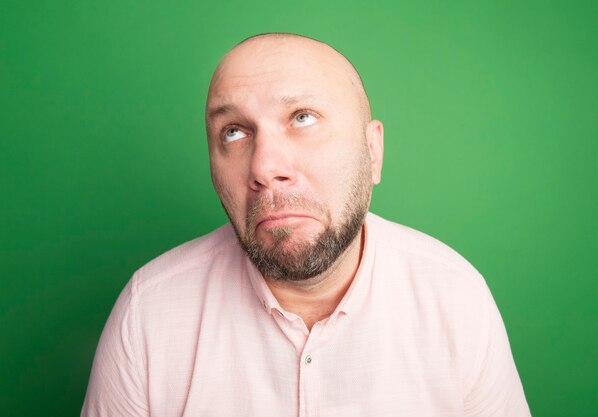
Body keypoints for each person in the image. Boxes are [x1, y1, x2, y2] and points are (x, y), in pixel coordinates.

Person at [81, 33, 531, 416]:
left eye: (302, 118)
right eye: (234, 131)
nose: (265, 166)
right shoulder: (149, 315)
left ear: (372, 151)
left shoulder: (456, 300)